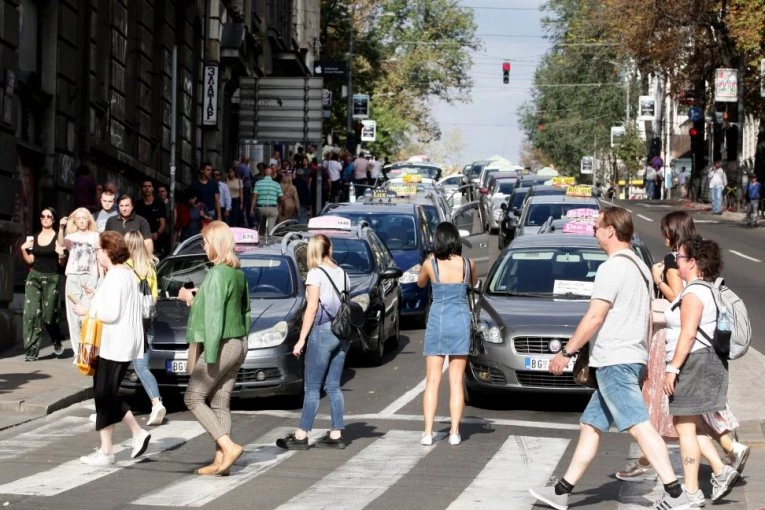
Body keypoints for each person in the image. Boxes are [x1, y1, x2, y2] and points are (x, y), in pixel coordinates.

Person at [530, 207, 690, 510]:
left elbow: (595, 316)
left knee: (639, 426)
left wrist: (566, 352)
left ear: (610, 231)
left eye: (596, 227)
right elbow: (645, 316)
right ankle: (561, 491)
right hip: (631, 356)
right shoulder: (640, 267)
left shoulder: (612, 268)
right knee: (590, 425)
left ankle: (675, 494)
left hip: (614, 360)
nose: (594, 232)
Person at [663, 236, 740, 504]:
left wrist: (673, 369)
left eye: (680, 257)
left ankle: (692, 492)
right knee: (689, 425)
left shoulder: (694, 293)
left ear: (693, 262)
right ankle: (719, 472)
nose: (676, 261)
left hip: (694, 362)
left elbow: (688, 334)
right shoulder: (703, 289)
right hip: (702, 361)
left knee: (684, 427)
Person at [177, 221, 249, 475]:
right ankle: (221, 462)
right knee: (219, 402)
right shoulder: (236, 273)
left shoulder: (217, 273)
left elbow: (214, 316)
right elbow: (244, 310)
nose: (204, 247)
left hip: (221, 343)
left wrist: (189, 300)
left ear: (216, 244)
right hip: (238, 342)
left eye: (205, 242)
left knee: (193, 397)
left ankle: (228, 447)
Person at [73, 231, 151, 466]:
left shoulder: (115, 276)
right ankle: (113, 446)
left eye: (97, 250)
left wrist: (88, 311)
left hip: (116, 344)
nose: (96, 254)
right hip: (122, 343)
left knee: (104, 394)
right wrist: (98, 296)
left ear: (107, 251)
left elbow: (111, 314)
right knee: (106, 394)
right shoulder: (126, 274)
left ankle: (122, 442)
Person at [276, 235, 351, 451]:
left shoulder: (315, 274)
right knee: (333, 386)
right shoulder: (343, 273)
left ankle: (301, 434)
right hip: (342, 332)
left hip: (323, 331)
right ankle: (336, 434)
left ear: (313, 251)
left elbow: (312, 308)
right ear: (329, 249)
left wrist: (301, 339)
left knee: (312, 387)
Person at [416, 222, 477, 446]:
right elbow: (474, 283)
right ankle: (454, 432)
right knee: (456, 381)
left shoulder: (430, 264)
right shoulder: (468, 264)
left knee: (432, 380)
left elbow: (420, 283)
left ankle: (427, 432)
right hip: (460, 321)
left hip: (438, 321)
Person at [124, 231, 166, 427]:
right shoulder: (149, 267)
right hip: (146, 324)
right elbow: (154, 299)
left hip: (129, 325)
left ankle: (106, 408)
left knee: (115, 366)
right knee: (141, 366)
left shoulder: (124, 268)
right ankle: (156, 403)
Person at [20, 207, 67, 361]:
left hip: (52, 278)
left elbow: (61, 262)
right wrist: (23, 250)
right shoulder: (33, 238)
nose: (45, 218)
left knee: (50, 317)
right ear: (40, 219)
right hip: (34, 278)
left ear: (53, 219)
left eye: (49, 216)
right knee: (31, 314)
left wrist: (61, 255)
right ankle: (31, 350)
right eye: (43, 216)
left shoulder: (58, 237)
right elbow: (30, 260)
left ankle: (56, 338)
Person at [58, 208, 100, 364]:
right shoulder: (71, 237)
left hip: (90, 278)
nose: (82, 220)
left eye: (84, 218)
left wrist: (101, 279)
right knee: (73, 316)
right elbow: (61, 244)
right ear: (74, 221)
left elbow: (100, 257)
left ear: (89, 220)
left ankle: (87, 350)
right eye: (78, 218)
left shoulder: (96, 236)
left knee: (86, 315)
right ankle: (78, 353)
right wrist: (61, 228)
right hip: (73, 278)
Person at [134, 181, 168, 258]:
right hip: (141, 240)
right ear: (142, 189)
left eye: (149, 186)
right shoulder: (138, 204)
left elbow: (163, 223)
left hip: (157, 241)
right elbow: (135, 222)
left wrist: (157, 233)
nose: (147, 188)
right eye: (145, 186)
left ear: (152, 188)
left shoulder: (159, 203)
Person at [250, 166, 283, 236]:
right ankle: (269, 239)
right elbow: (281, 198)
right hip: (272, 208)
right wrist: (281, 207)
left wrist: (251, 209)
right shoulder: (276, 184)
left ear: (263, 174)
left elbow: (254, 197)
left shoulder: (258, 183)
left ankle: (261, 238)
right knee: (270, 229)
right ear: (272, 174)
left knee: (261, 228)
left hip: (261, 209)